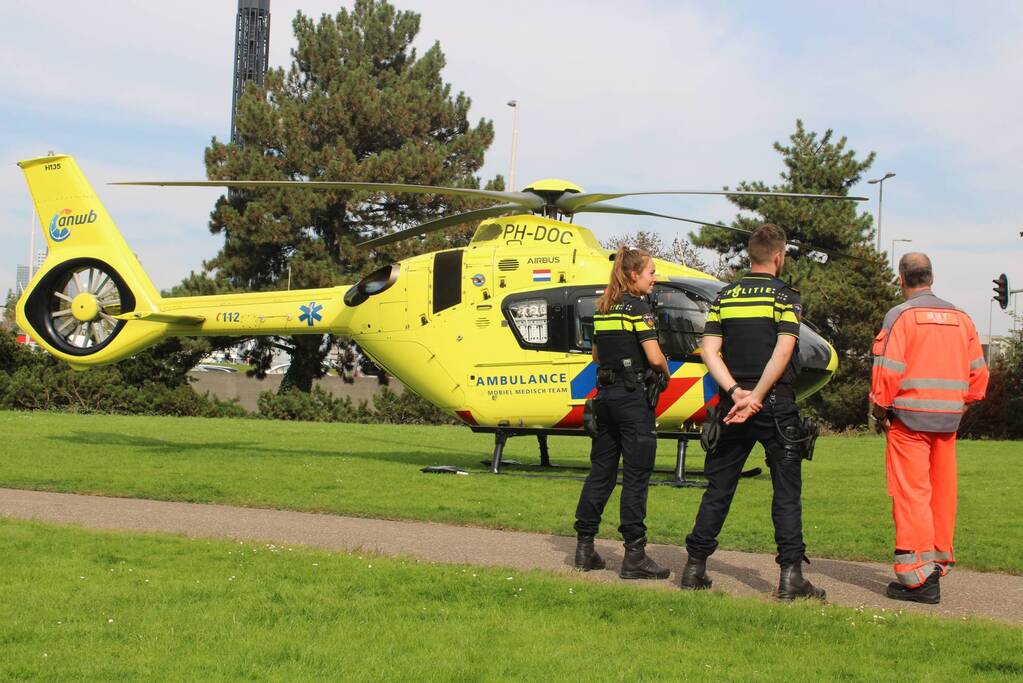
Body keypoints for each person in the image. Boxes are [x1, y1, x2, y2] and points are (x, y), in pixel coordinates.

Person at [680, 224, 825, 600]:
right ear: (779, 257)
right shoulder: (785, 296)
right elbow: (783, 350)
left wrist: (735, 393)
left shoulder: (725, 296)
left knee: (719, 487)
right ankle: (790, 578)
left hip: (732, 403)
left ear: (751, 255)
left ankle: (694, 567)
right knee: (786, 492)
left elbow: (709, 350)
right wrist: (757, 396)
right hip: (774, 403)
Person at [870, 252, 988, 604]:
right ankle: (936, 563)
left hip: (908, 421)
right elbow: (979, 376)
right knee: (941, 495)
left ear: (902, 279)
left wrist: (880, 409)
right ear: (931, 277)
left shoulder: (900, 316)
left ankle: (918, 579)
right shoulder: (962, 318)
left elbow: (887, 371)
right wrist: (961, 405)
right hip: (948, 422)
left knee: (912, 496)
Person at [573, 246, 672, 579]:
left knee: (601, 473)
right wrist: (665, 374)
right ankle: (634, 557)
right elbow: (655, 357)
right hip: (632, 401)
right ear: (634, 275)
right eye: (651, 273)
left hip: (605, 399)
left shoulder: (603, 309)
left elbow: (596, 358)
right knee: (636, 476)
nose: (654, 279)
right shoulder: (638, 308)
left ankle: (584, 548)